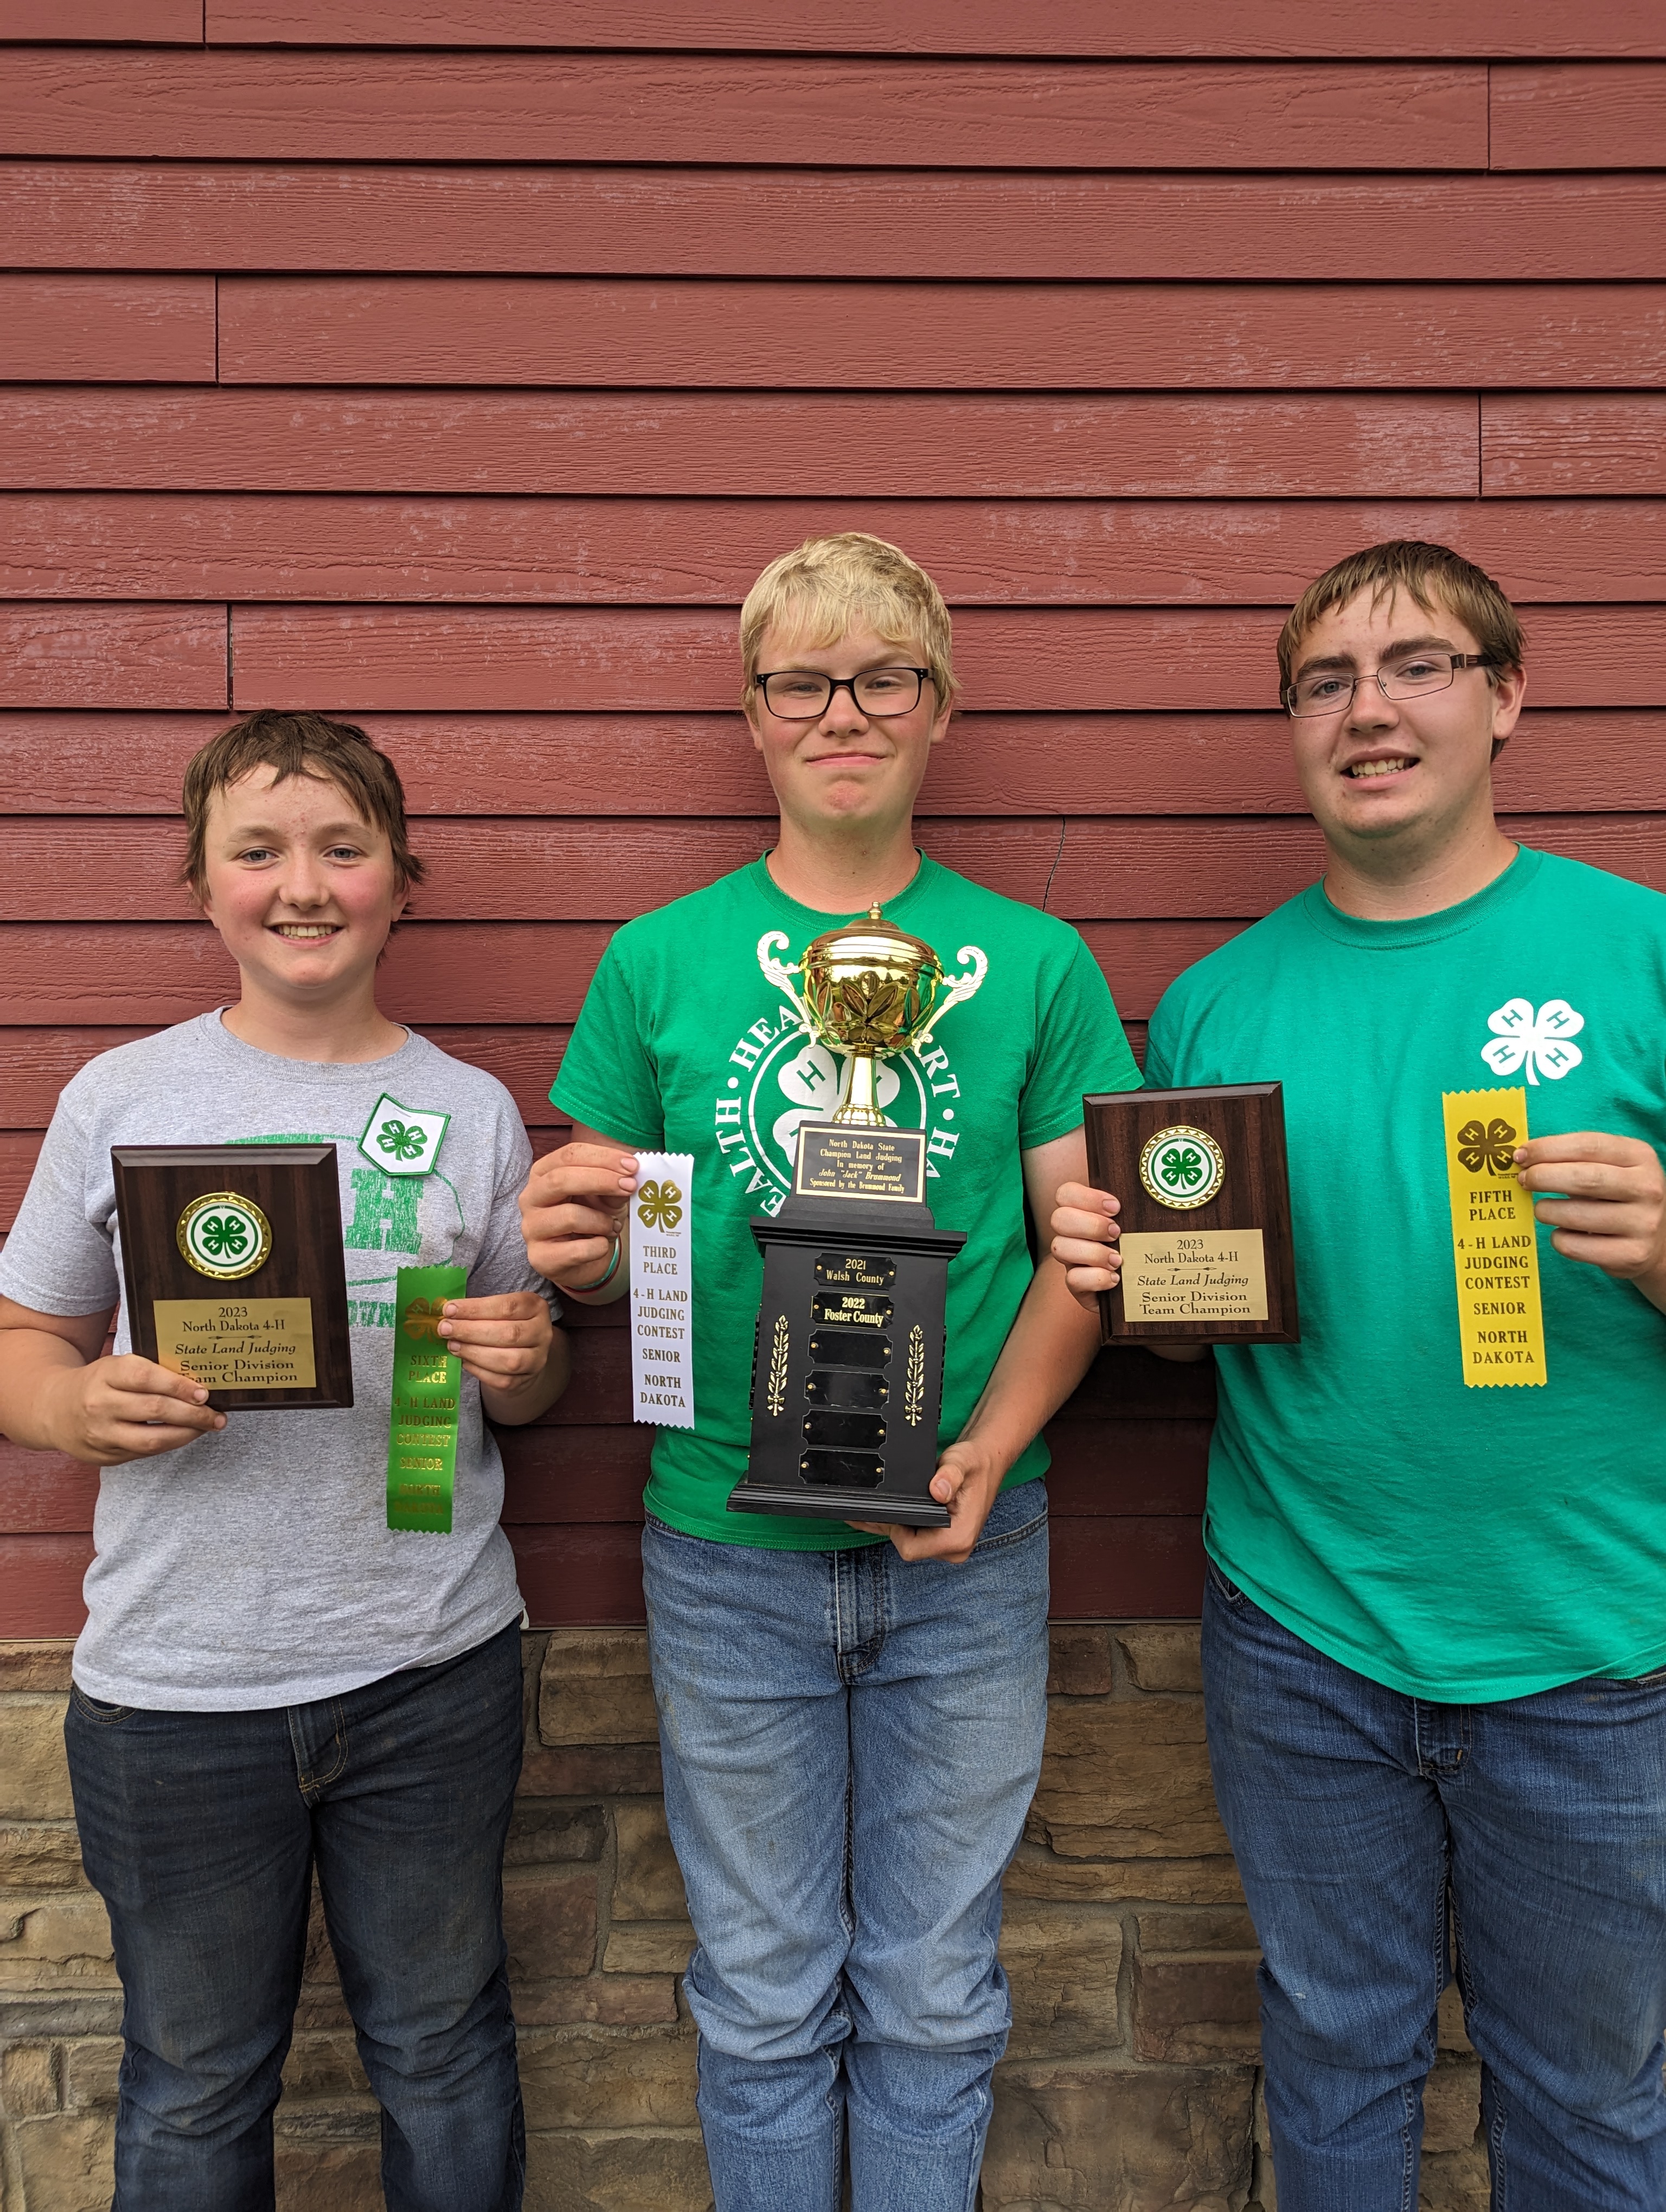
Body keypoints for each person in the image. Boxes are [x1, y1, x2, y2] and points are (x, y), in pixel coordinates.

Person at [518, 533, 1140, 2210]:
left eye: (884, 676)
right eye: (803, 680)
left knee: (936, 1995)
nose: (842, 711)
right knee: (766, 1994)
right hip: (726, 1551)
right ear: (755, 714)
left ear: (940, 709)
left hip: (968, 1551)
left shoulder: (1037, 961)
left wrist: (994, 1450)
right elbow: (611, 1242)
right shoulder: (659, 961)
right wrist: (570, 1246)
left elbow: (1087, 1257)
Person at [1052, 541, 1666, 2210]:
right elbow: (1193, 1326)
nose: (1368, 709)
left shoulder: (1642, 954)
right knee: (1333, 2072)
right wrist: (1134, 1293)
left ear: (1508, 697)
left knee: (1594, 2106)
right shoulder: (1213, 1006)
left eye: (1418, 665)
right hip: (1306, 1638)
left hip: (1597, 1655)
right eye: (1325, 680)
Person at [0, 711, 567, 2212]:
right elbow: (19, 1340)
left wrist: (530, 1363)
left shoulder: (469, 1109)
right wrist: (67, 1411)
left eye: (341, 847)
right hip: (176, 1694)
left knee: (447, 2053)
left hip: (432, 1671)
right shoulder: (124, 1099)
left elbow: (516, 1378)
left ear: (399, 881)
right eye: (258, 851)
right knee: (193, 2085)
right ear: (203, 885)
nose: (301, 884)